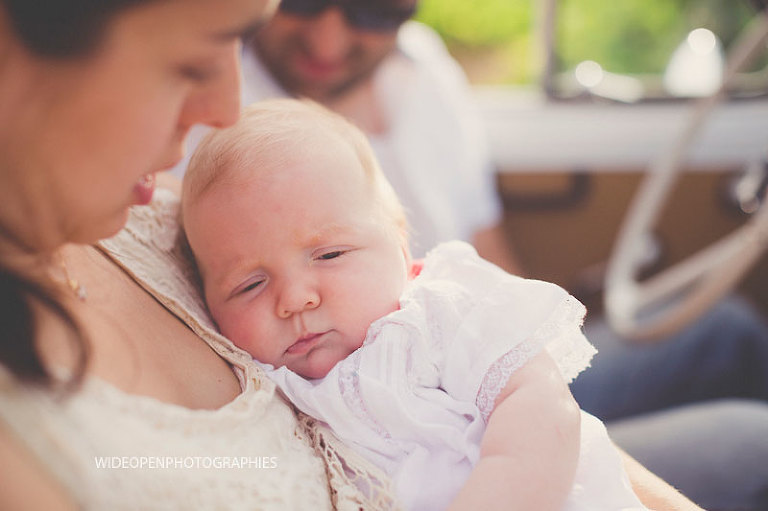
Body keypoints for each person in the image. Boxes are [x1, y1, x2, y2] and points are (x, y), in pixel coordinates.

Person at [0, 1, 698, 510]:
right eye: (191, 61)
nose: (225, 106)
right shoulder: (211, 225)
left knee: (723, 342)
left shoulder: (149, 212)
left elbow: (538, 411)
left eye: (375, 11)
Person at [206, 2, 768, 509]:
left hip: (479, 373)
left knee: (728, 328)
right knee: (754, 443)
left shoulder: (424, 73)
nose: (329, 41)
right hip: (432, 436)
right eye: (302, 3)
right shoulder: (215, 130)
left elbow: (495, 262)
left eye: (373, 11)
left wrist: (507, 360)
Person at [180, 98, 666, 511]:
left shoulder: (440, 311)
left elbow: (542, 405)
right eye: (249, 285)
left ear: (401, 244)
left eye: (329, 255)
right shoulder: (267, 390)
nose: (295, 298)